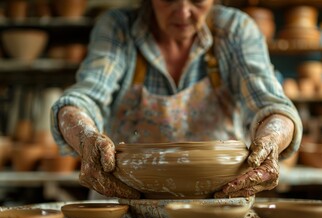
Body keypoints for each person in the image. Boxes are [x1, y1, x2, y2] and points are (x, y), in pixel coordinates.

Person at [50, 0, 302, 199]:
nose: (183, 12)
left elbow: (272, 106)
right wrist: (85, 139)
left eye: (197, 0)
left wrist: (271, 140)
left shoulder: (235, 29)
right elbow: (83, 99)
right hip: (127, 201)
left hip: (217, 203)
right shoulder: (118, 27)